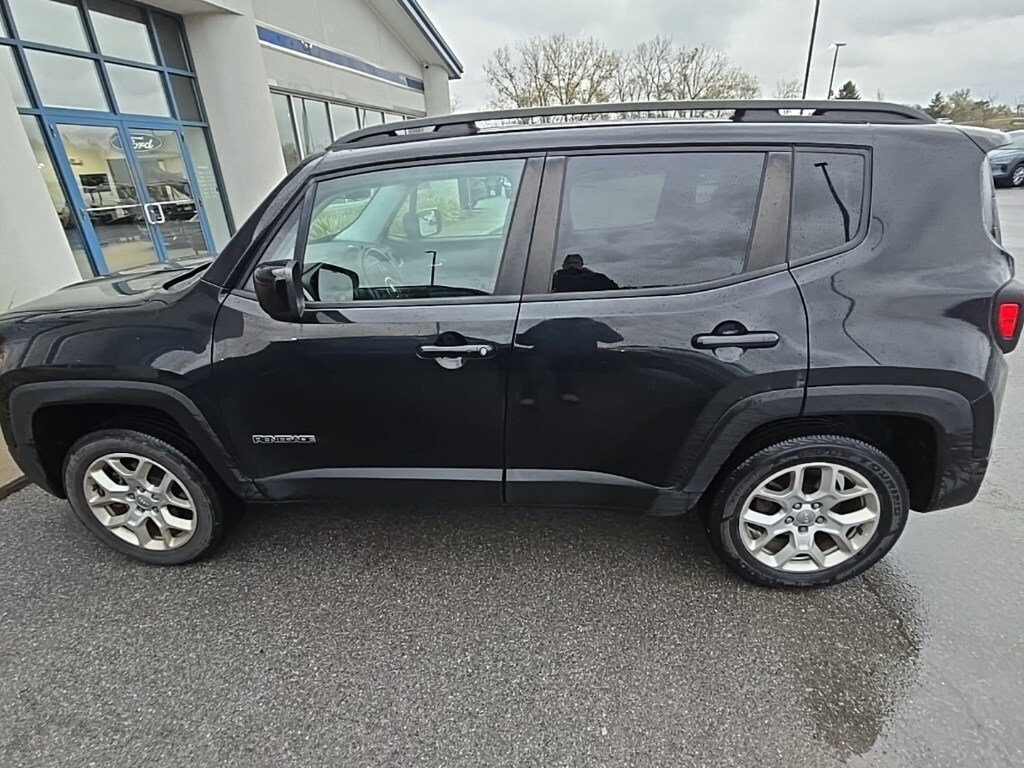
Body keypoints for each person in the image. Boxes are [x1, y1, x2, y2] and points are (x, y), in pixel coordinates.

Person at [551, 254, 619, 293]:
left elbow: (615, 291)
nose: (571, 265)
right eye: (568, 263)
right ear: (563, 266)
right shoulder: (553, 279)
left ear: (581, 265)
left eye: (575, 263)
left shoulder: (594, 278)